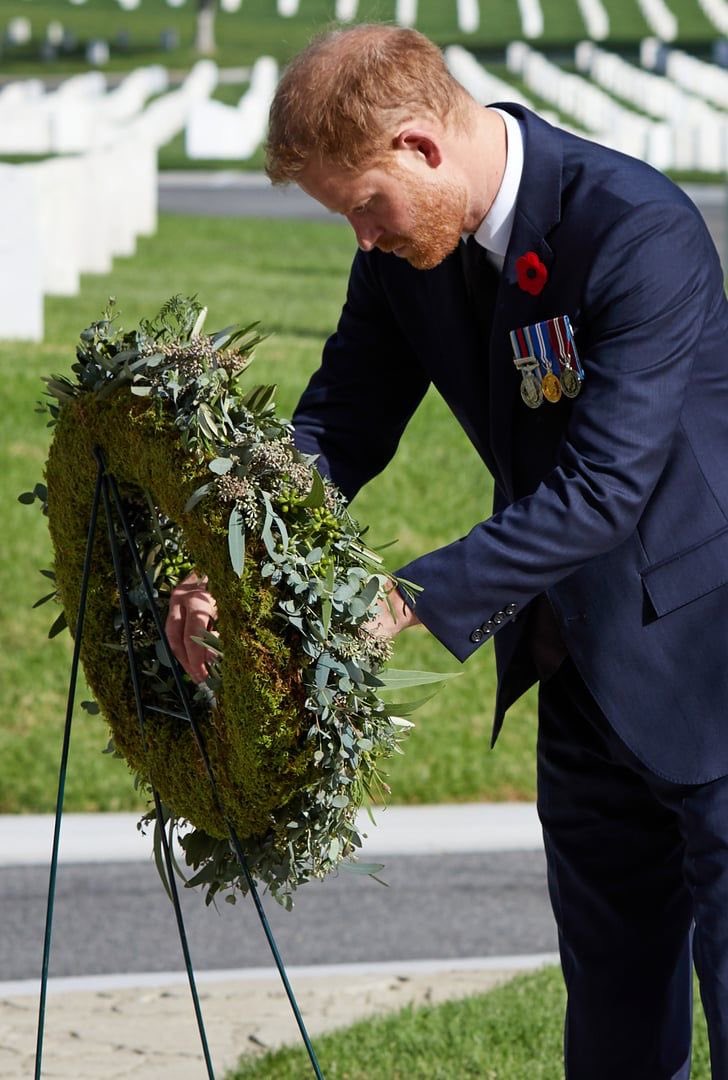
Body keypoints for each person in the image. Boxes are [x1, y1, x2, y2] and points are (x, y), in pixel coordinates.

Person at [166, 24, 728, 1079]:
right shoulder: (401, 261)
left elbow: (604, 488)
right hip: (577, 671)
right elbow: (337, 426)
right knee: (610, 1022)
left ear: (420, 146)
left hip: (706, 658)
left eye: (362, 207)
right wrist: (228, 556)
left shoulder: (632, 228)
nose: (362, 240)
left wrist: (400, 601)